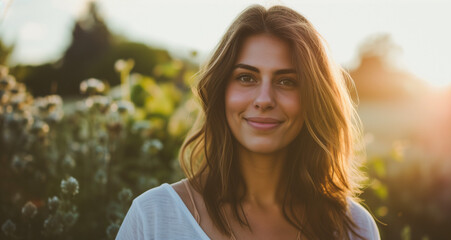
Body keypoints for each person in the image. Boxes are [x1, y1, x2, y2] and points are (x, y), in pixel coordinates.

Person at [117, 4, 380, 240]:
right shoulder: (153, 217)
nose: (264, 99)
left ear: (314, 99)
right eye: (246, 78)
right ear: (221, 91)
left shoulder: (353, 228)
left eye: (287, 81)